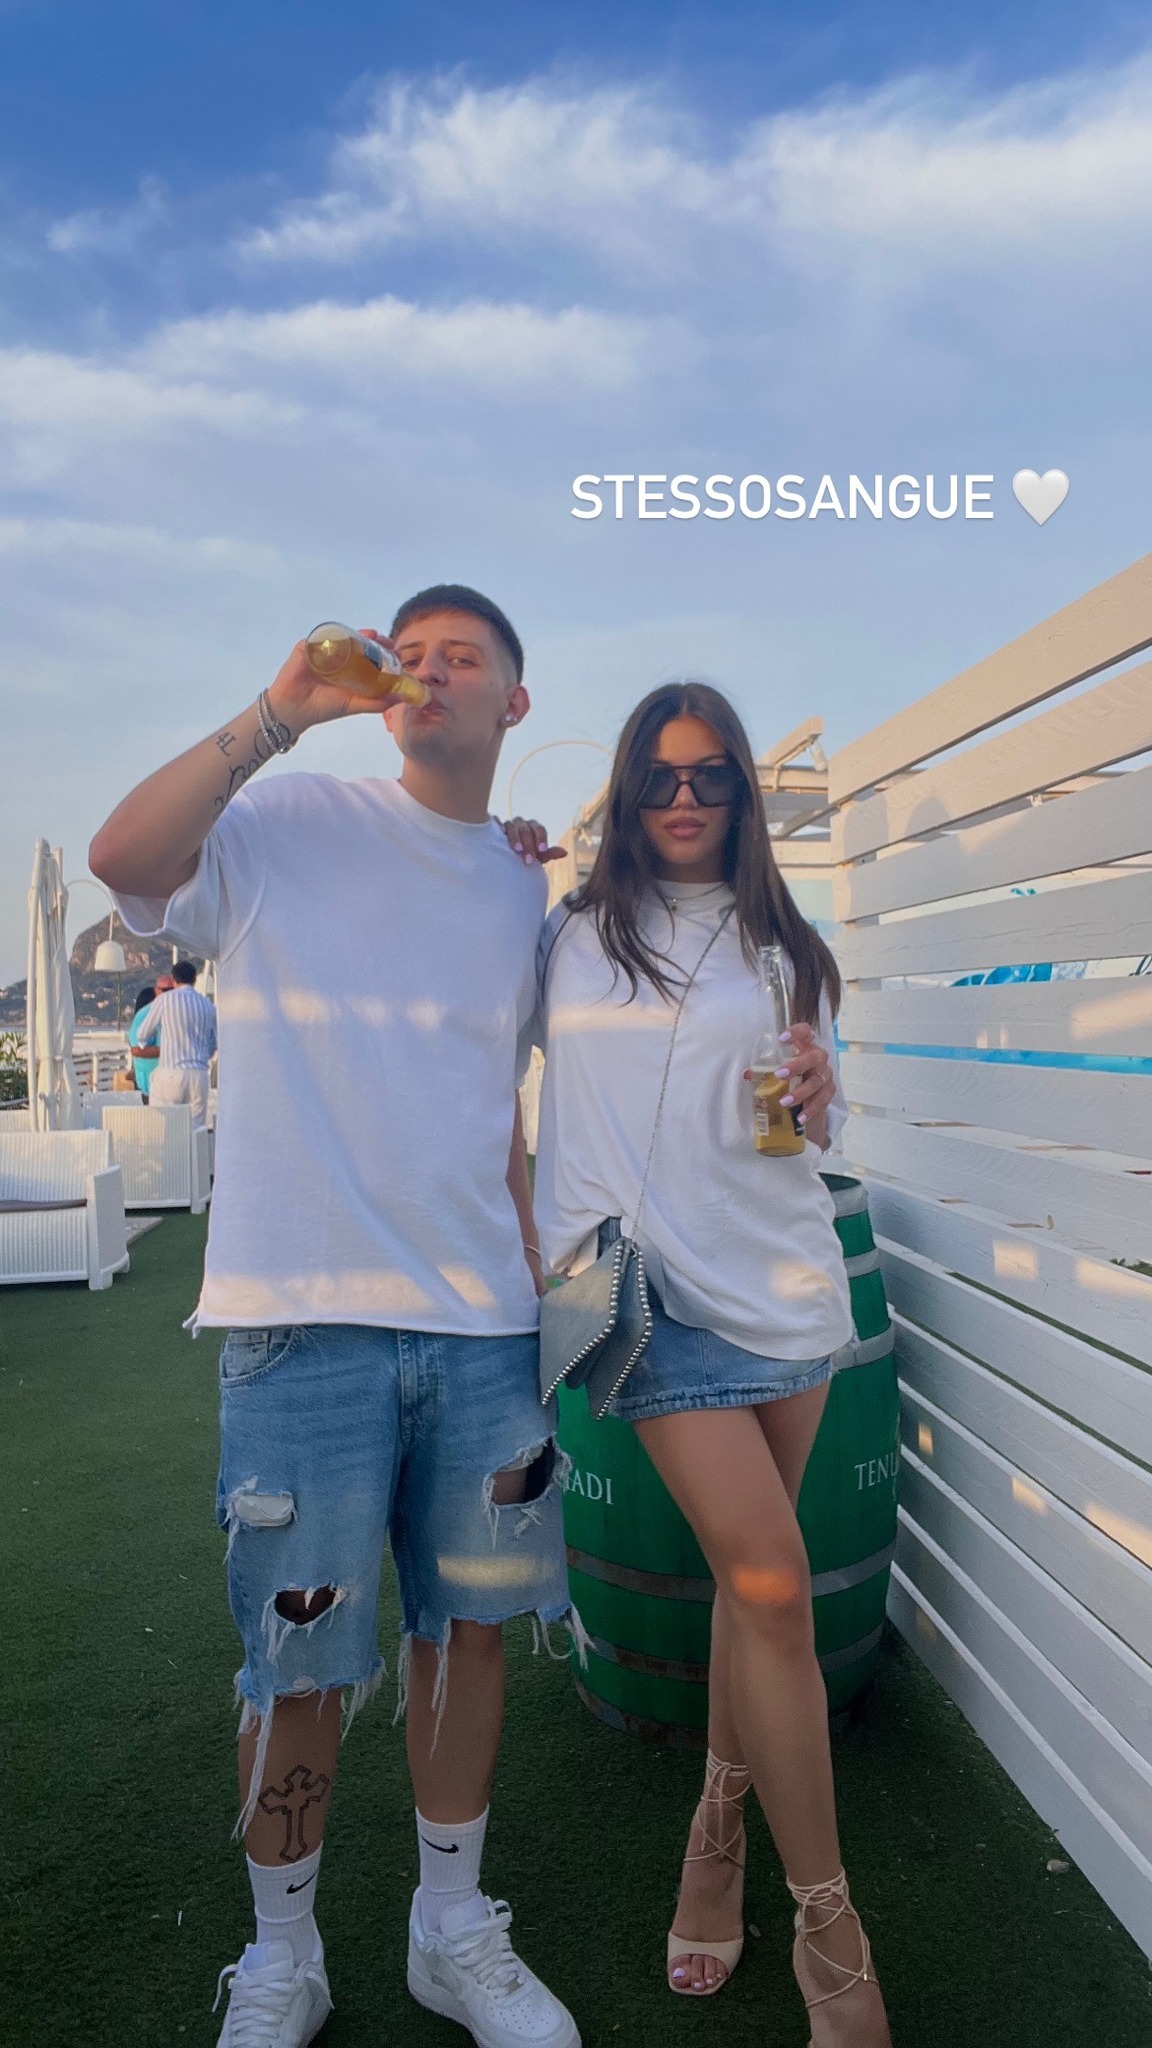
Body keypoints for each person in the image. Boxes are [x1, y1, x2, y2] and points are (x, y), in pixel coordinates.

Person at [89, 586, 580, 2048]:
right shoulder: (288, 818)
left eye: (462, 658)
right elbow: (123, 858)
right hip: (300, 1322)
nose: (428, 673)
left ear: (514, 702)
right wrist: (278, 715)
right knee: (298, 1657)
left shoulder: (520, 884)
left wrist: (541, 1274)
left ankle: (450, 1928)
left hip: (482, 1326)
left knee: (468, 1634)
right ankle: (282, 1952)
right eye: (409, 655)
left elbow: (506, 1098)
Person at [528, 682, 893, 2047]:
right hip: (639, 1295)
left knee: (758, 1589)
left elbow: (816, 1106)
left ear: (743, 793)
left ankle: (719, 1823)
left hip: (783, 1281)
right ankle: (831, 1927)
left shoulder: (787, 945)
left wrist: (822, 1091)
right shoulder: (565, 935)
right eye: (660, 777)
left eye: (711, 776)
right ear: (626, 793)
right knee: (774, 1581)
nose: (684, 799)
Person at [134, 959, 217, 1127]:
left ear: (173, 979)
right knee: (195, 1130)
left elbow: (142, 1034)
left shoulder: (165, 1000)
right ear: (195, 979)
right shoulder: (208, 1005)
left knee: (165, 1127)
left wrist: (145, 1044)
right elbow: (214, 1042)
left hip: (171, 1071)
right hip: (199, 1074)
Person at [126, 984, 159, 1095]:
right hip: (148, 1082)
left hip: (145, 1080)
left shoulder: (138, 1022)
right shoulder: (144, 1020)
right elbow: (137, 1050)